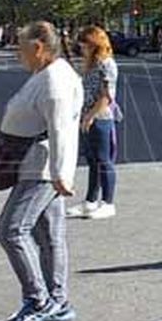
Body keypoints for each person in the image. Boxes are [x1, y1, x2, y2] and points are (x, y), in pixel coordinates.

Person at [0, 21, 83, 321]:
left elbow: (60, 129)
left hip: (41, 168)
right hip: (34, 164)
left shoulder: (55, 81)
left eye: (21, 49)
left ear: (38, 48)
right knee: (49, 237)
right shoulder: (46, 74)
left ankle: (39, 301)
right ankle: (58, 302)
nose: (18, 55)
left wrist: (61, 174)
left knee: (11, 231)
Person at [68, 26, 120, 220]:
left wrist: (90, 116)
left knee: (104, 160)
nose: (81, 47)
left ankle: (108, 202)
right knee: (92, 160)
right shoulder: (90, 63)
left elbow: (107, 96)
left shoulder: (107, 64)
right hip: (86, 116)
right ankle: (90, 201)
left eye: (85, 43)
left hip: (101, 117)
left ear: (95, 43)